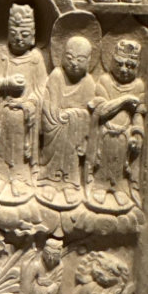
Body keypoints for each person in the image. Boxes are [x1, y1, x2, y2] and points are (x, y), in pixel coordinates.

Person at [39, 35, 105, 200]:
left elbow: (89, 113)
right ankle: (50, 181)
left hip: (75, 132)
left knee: (71, 143)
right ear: (62, 57)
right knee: (59, 134)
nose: (74, 63)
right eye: (69, 58)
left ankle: (70, 183)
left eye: (80, 59)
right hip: (55, 127)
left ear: (88, 61)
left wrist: (73, 116)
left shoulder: (88, 82)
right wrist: (60, 117)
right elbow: (48, 105)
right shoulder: (56, 76)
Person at [0, 5, 47, 189]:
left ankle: (20, 176)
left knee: (21, 140)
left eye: (24, 34)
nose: (19, 38)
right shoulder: (2, 55)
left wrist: (29, 102)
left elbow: (42, 89)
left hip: (25, 115)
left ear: (33, 37)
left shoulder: (36, 58)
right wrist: (7, 83)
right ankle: (1, 174)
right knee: (3, 141)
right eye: (14, 33)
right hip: (4, 111)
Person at [89, 38, 146, 209]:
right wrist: (125, 100)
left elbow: (138, 113)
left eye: (130, 66)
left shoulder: (138, 86)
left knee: (121, 157)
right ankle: (100, 185)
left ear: (137, 66)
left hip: (125, 134)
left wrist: (138, 134)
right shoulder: (105, 81)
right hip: (105, 132)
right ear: (112, 62)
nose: (123, 70)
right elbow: (102, 110)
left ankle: (119, 187)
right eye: (120, 64)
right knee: (104, 156)